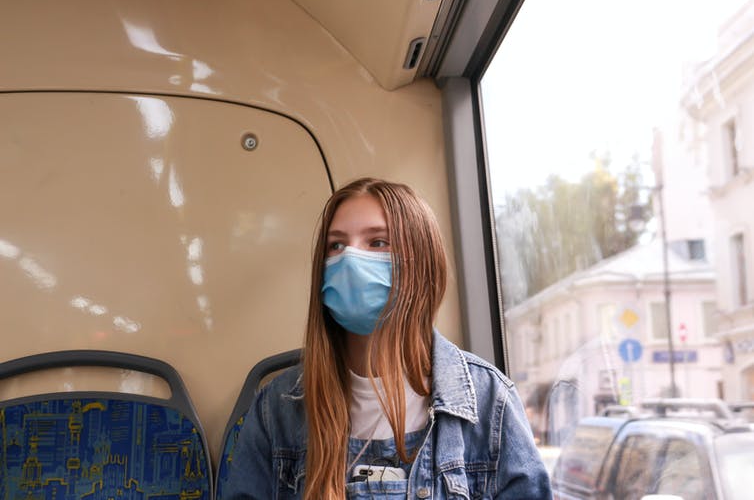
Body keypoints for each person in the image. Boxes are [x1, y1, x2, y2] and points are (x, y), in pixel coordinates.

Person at [224, 178, 552, 499]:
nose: (350, 258)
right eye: (336, 245)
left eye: (378, 242)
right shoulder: (277, 408)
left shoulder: (488, 400)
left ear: (421, 263)